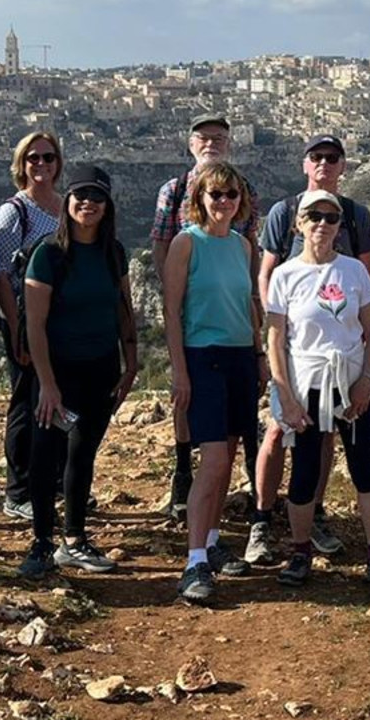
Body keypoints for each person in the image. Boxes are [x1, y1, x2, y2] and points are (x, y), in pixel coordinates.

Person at [248, 134, 370, 565]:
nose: (324, 163)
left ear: (343, 165)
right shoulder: (283, 213)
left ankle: (313, 520)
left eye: (332, 157)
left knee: (327, 445)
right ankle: (263, 518)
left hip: (339, 358)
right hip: (296, 353)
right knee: (278, 433)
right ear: (305, 164)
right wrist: (277, 326)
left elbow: (366, 286)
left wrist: (365, 369)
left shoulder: (356, 218)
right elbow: (267, 274)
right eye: (317, 156)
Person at [265, 190, 370, 594]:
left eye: (330, 217)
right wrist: (285, 396)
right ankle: (300, 551)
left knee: (364, 467)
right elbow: (275, 339)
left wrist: (367, 382)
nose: (322, 224)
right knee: (305, 470)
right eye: (314, 216)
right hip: (307, 384)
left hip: (350, 384)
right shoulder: (285, 275)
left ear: (340, 226)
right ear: (299, 224)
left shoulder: (354, 272)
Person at [17, 165, 141, 578]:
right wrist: (47, 384)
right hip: (57, 370)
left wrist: (131, 360)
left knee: (82, 452)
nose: (88, 203)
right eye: (81, 196)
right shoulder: (49, 254)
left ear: (108, 206)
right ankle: (41, 542)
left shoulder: (114, 252)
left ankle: (74, 539)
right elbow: (35, 325)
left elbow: (123, 309)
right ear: (67, 201)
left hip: (100, 368)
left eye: (97, 197)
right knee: (45, 453)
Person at [162, 161, 263, 603]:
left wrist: (259, 355)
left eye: (231, 194)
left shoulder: (242, 246)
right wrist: (179, 371)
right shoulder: (186, 243)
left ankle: (213, 539)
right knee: (215, 459)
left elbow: (250, 304)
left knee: (229, 454)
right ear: (200, 199)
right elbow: (171, 311)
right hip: (204, 356)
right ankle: (194, 561)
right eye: (215, 194)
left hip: (240, 356)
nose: (224, 201)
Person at [151, 116, 259, 520]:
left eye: (219, 137)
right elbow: (161, 241)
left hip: (232, 308)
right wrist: (174, 289)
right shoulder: (174, 189)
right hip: (192, 302)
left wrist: (249, 292)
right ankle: (184, 471)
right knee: (186, 394)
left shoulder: (243, 188)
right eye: (204, 137)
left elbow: (250, 238)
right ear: (191, 143)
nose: (211, 142)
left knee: (235, 409)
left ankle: (241, 483)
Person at [0, 130, 65, 521]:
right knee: (26, 400)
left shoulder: (66, 206)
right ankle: (18, 491)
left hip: (62, 319)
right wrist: (17, 329)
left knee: (60, 398)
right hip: (24, 318)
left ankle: (56, 482)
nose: (41, 164)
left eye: (48, 157)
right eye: (33, 157)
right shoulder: (13, 211)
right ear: (21, 164)